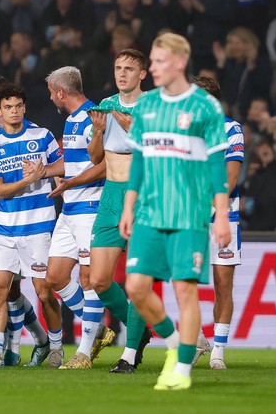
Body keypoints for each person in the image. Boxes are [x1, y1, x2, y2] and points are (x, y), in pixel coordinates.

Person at [119, 32, 231, 390]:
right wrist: (128, 205)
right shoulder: (147, 106)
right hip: (150, 213)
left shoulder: (205, 107)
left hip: (189, 215)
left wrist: (223, 214)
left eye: (158, 62)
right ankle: (173, 342)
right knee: (135, 287)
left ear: (179, 62)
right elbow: (137, 159)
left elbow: (217, 166)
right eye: (151, 62)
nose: (151, 68)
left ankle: (181, 370)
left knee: (185, 290)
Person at [0, 83, 64, 368]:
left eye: (18, 106)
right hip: (5, 228)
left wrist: (46, 172)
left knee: (44, 292)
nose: (14, 112)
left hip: (38, 226)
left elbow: (64, 165)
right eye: (8, 107)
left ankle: (57, 347)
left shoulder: (42, 135)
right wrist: (29, 179)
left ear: (24, 107)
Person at [42, 66, 113, 370]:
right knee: (55, 277)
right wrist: (46, 172)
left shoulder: (93, 118)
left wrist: (73, 182)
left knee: (88, 279)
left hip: (91, 207)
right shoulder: (71, 119)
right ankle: (97, 328)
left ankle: (83, 352)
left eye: (51, 92)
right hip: (69, 209)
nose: (50, 98)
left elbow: (106, 164)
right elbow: (74, 164)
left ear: (60, 92)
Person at [87, 49, 152, 374]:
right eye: (118, 68)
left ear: (143, 74)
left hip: (142, 197)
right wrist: (98, 131)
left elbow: (157, 153)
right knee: (99, 279)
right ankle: (141, 330)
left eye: (129, 68)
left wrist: (130, 126)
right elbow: (96, 157)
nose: (122, 73)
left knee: (138, 280)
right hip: (111, 196)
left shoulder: (153, 107)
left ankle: (129, 352)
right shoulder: (107, 105)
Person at [191, 75, 245, 370]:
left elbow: (231, 178)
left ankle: (219, 351)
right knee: (183, 279)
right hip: (190, 216)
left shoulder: (230, 129)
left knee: (223, 283)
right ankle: (199, 338)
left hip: (223, 215)